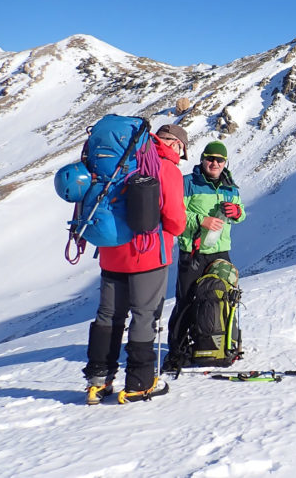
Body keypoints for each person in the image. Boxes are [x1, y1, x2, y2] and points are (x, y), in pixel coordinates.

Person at [83, 123, 188, 403]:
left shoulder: (121, 162)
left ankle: (97, 382)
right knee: (144, 315)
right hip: (149, 256)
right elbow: (176, 222)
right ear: (176, 144)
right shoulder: (166, 168)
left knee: (108, 316)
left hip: (111, 253)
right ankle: (139, 383)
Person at [164, 140, 246, 369]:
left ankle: (226, 343)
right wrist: (202, 221)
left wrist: (237, 212)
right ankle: (177, 352)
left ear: (225, 162)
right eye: (210, 158)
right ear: (202, 159)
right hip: (193, 252)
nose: (214, 163)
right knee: (187, 301)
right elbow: (175, 215)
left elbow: (241, 215)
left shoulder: (231, 187)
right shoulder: (187, 184)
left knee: (225, 298)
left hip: (220, 252)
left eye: (219, 160)